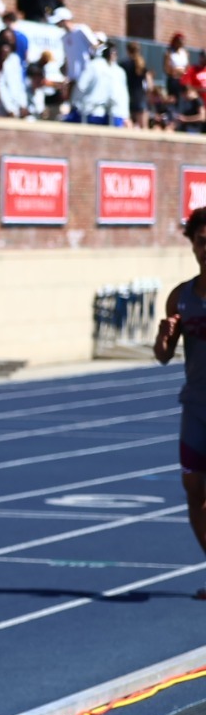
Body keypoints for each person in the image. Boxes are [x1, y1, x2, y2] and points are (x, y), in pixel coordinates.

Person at [154, 208, 206, 595]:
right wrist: (165, 336)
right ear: (192, 244)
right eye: (202, 242)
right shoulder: (181, 296)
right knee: (194, 492)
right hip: (196, 407)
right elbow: (162, 356)